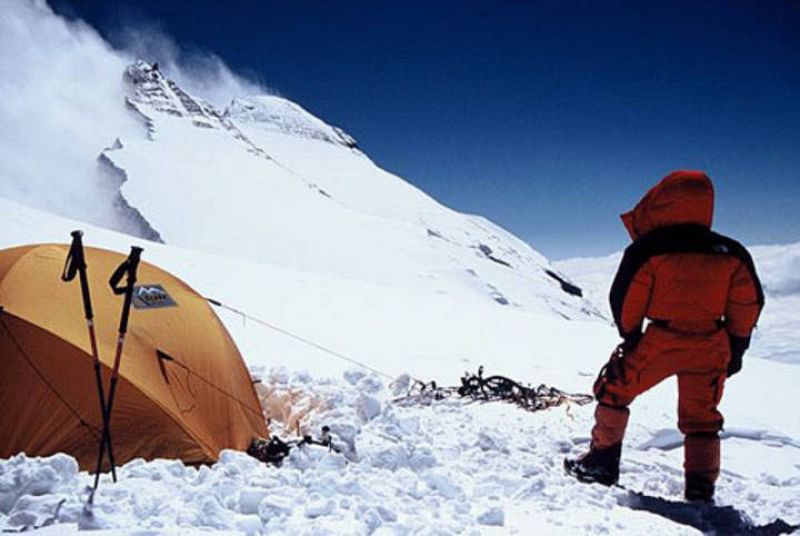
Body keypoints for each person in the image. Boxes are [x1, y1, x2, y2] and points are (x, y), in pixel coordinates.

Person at [564, 170, 764, 502]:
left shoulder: (648, 249)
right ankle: (701, 489)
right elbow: (748, 302)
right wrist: (736, 347)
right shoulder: (732, 251)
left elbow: (626, 298)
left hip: (662, 339)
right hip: (712, 342)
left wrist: (631, 337)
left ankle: (601, 463)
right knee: (702, 418)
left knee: (614, 391)